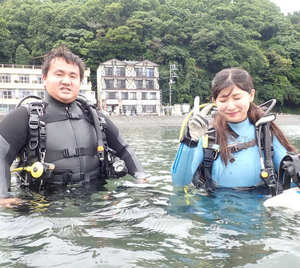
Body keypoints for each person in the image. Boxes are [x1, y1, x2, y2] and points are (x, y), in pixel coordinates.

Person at [0, 46, 147, 208]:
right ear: (44, 78)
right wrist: (3, 196)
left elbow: (124, 149)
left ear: (79, 81)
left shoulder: (96, 117)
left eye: (73, 76)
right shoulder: (24, 117)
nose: (66, 81)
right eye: (59, 74)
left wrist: (141, 178)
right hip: (43, 206)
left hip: (96, 201)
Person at [172, 67, 297, 193]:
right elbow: (179, 182)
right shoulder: (206, 135)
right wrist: (189, 141)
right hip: (214, 208)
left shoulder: (265, 133)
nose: (231, 106)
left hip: (260, 207)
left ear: (251, 95)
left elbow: (291, 175)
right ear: (214, 101)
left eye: (237, 98)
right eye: (223, 100)